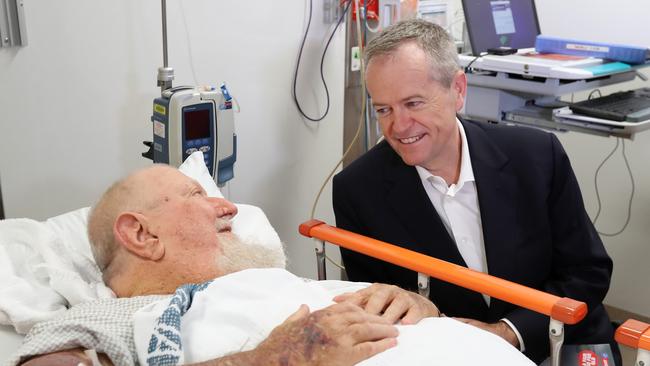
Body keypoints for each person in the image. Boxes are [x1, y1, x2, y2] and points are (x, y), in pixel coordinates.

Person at [332, 19, 620, 364]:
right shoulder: (358, 191)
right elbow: (383, 312)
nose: (398, 126)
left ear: (458, 89)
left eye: (414, 103)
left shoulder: (537, 156)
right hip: (452, 352)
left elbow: (587, 273)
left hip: (556, 338)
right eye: (384, 109)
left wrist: (506, 332)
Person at [14, 164, 447, 366]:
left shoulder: (295, 285)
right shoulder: (107, 319)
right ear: (142, 235)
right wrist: (273, 359)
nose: (228, 207)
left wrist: (421, 310)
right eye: (196, 195)